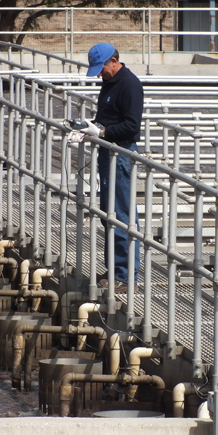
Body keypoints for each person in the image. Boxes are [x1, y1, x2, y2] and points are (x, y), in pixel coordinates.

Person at [77, 43, 143, 294]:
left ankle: (126, 278)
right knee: (109, 214)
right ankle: (115, 271)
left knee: (122, 215)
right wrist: (89, 128)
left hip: (122, 153)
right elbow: (108, 117)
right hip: (108, 152)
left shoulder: (129, 84)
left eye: (101, 68)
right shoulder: (110, 82)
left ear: (114, 61)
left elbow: (131, 126)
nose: (98, 74)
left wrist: (102, 131)